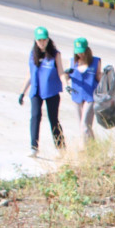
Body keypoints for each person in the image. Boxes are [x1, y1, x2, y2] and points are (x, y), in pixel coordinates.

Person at [19, 26, 68, 156]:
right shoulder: (33, 54)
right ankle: (33, 147)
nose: (42, 43)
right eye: (39, 40)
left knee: (53, 119)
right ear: (35, 40)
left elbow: (61, 72)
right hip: (36, 91)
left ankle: (61, 147)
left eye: (44, 40)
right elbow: (29, 74)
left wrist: (66, 84)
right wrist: (22, 92)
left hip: (51, 90)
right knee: (35, 117)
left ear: (48, 40)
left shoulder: (55, 54)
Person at [66, 37, 103, 143]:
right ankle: (93, 147)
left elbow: (98, 76)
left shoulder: (95, 62)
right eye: (78, 52)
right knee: (82, 126)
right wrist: (66, 80)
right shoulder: (73, 62)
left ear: (87, 50)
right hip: (77, 96)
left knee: (85, 124)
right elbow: (65, 75)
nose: (80, 55)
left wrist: (105, 80)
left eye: (82, 52)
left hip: (90, 96)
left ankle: (84, 148)